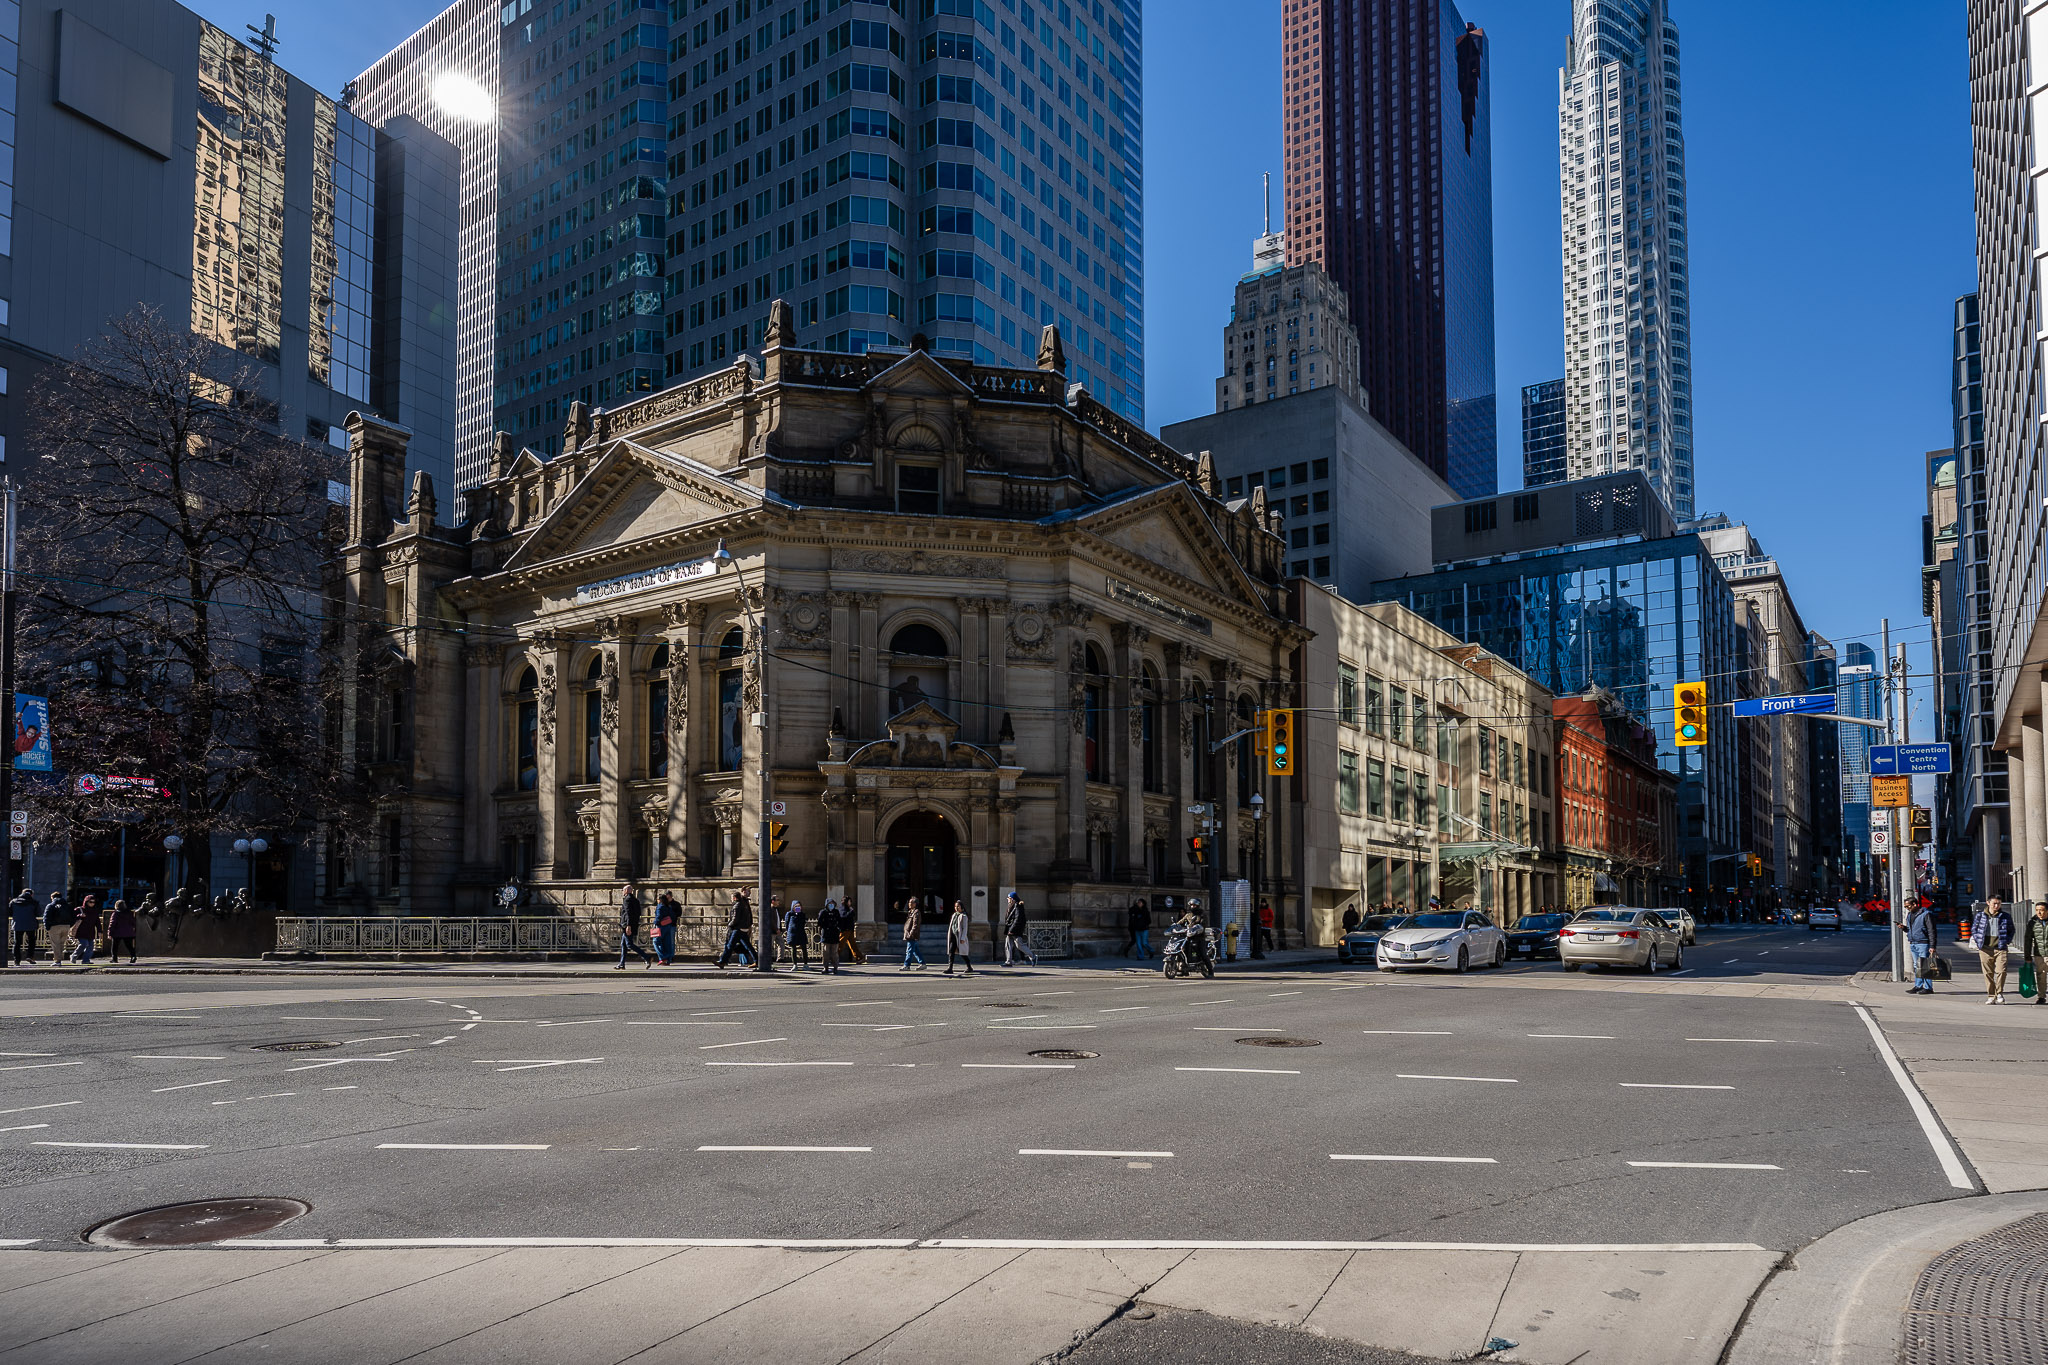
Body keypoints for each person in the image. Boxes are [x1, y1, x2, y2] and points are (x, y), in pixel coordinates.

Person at [1971, 896, 2016, 1004]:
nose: (1996, 906)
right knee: (1988, 973)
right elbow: (1974, 929)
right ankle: (1991, 995)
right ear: (1988, 903)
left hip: (2000, 948)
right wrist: (1978, 941)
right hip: (1985, 948)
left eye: (1999, 904)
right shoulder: (1980, 916)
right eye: (1994, 903)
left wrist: (2007, 941)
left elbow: (2011, 930)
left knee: (2001, 971)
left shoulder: (2005, 916)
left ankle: (1999, 992)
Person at [614, 884, 654, 969]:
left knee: (629, 944)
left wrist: (628, 925)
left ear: (626, 891)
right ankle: (622, 964)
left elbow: (628, 913)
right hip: (633, 924)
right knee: (623, 945)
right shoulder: (636, 900)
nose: (622, 892)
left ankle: (647, 957)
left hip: (628, 925)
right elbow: (638, 913)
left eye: (623, 890)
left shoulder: (627, 900)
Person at [1905, 900, 1939, 994]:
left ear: (1914, 904)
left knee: (1925, 965)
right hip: (1913, 942)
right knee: (1917, 965)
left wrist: (1932, 945)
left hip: (1923, 943)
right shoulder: (1909, 915)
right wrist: (1904, 928)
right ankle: (1918, 985)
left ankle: (1928, 987)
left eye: (1908, 906)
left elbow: (1931, 930)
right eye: (1906, 907)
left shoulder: (1926, 914)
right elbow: (1910, 929)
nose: (1907, 908)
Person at [716, 891, 757, 968]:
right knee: (748, 946)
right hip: (743, 928)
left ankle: (722, 962)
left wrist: (729, 924)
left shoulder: (737, 906)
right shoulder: (743, 904)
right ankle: (757, 960)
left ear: (734, 898)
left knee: (730, 946)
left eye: (731, 897)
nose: (731, 899)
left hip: (738, 929)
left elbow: (735, 919)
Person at [1002, 891, 1035, 967]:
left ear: (1012, 899)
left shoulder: (1017, 906)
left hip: (1015, 929)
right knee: (1008, 945)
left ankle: (1033, 956)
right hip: (1010, 928)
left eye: (1009, 898)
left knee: (1019, 945)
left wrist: (1012, 930)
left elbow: (1018, 919)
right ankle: (1008, 961)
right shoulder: (1012, 905)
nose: (1008, 899)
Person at [944, 899, 975, 975]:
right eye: (955, 906)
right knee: (951, 952)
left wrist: (963, 938)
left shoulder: (963, 916)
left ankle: (969, 967)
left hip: (959, 936)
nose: (956, 908)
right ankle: (950, 968)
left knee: (963, 953)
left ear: (962, 907)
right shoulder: (954, 915)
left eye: (958, 906)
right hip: (953, 936)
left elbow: (965, 928)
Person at [2026, 903, 2048, 1008]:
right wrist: (2027, 956)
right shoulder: (2032, 923)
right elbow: (2028, 940)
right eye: (2037, 910)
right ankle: (2041, 996)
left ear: (2047, 911)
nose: (2039, 912)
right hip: (2039, 954)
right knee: (2041, 976)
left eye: (2042, 910)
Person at [70, 895, 102, 965]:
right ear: (86, 902)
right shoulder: (79, 909)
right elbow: (72, 918)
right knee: (84, 944)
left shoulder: (95, 911)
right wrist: (79, 916)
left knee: (90, 947)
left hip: (90, 931)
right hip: (81, 931)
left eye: (93, 902)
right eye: (90, 902)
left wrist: (100, 931)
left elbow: (97, 922)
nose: (92, 903)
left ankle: (86, 960)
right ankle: (74, 956)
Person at [107, 899, 138, 964]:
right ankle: (133, 956)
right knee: (129, 946)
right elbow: (133, 922)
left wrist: (109, 933)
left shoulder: (115, 913)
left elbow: (112, 924)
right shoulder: (129, 913)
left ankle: (114, 959)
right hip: (128, 932)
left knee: (115, 947)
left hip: (117, 932)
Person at [837, 897, 867, 965]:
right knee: (840, 944)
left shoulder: (848, 909)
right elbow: (844, 916)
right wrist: (851, 911)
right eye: (849, 901)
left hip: (850, 929)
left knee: (852, 944)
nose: (850, 903)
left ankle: (859, 958)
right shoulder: (842, 908)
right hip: (845, 929)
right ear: (846, 902)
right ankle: (833, 957)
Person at [8, 889, 35, 965]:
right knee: (31, 941)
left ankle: (17, 960)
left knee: (17, 943)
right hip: (31, 924)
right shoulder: (34, 902)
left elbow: (10, 912)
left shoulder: (13, 901)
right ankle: (30, 956)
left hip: (17, 924)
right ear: (31, 894)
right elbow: (38, 912)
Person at [784, 898, 812, 970]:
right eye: (796, 906)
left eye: (799, 906)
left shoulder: (802, 914)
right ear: (793, 907)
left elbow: (803, 922)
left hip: (801, 933)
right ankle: (795, 964)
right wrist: (789, 931)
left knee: (804, 949)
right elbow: (786, 923)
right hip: (793, 933)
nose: (797, 908)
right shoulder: (789, 914)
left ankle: (805, 964)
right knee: (793, 949)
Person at [900, 899, 926, 970]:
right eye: (909, 902)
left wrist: (911, 933)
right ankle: (922, 963)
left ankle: (907, 965)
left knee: (909, 950)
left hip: (912, 935)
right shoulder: (911, 912)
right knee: (915, 950)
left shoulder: (916, 912)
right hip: (909, 933)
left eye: (911, 902)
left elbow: (915, 925)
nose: (909, 904)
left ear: (915, 904)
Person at [654, 892, 679, 965]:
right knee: (666, 943)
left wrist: (655, 923)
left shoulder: (660, 906)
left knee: (656, 941)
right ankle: (668, 958)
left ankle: (662, 957)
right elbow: (673, 916)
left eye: (658, 899)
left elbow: (658, 916)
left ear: (660, 900)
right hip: (668, 926)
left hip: (661, 926)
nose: (657, 900)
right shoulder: (668, 906)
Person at [817, 900, 841, 974]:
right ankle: (825, 967)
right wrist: (825, 926)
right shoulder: (823, 912)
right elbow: (819, 922)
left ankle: (835, 967)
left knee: (834, 952)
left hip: (834, 935)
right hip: (826, 935)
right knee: (826, 952)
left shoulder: (836, 912)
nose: (831, 905)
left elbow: (840, 921)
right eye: (829, 904)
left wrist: (838, 928)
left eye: (832, 904)